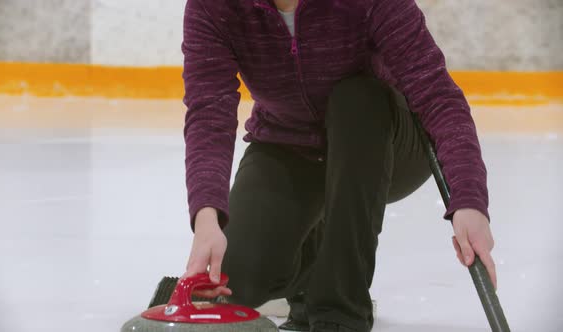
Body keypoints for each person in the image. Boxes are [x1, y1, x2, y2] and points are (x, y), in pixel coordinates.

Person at [180, 0, 497, 331]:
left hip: (384, 141)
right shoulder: (213, 6)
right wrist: (207, 216)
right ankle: (315, 271)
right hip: (290, 141)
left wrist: (469, 200)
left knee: (357, 98)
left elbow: (439, 98)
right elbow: (209, 114)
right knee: (239, 276)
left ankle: (341, 311)